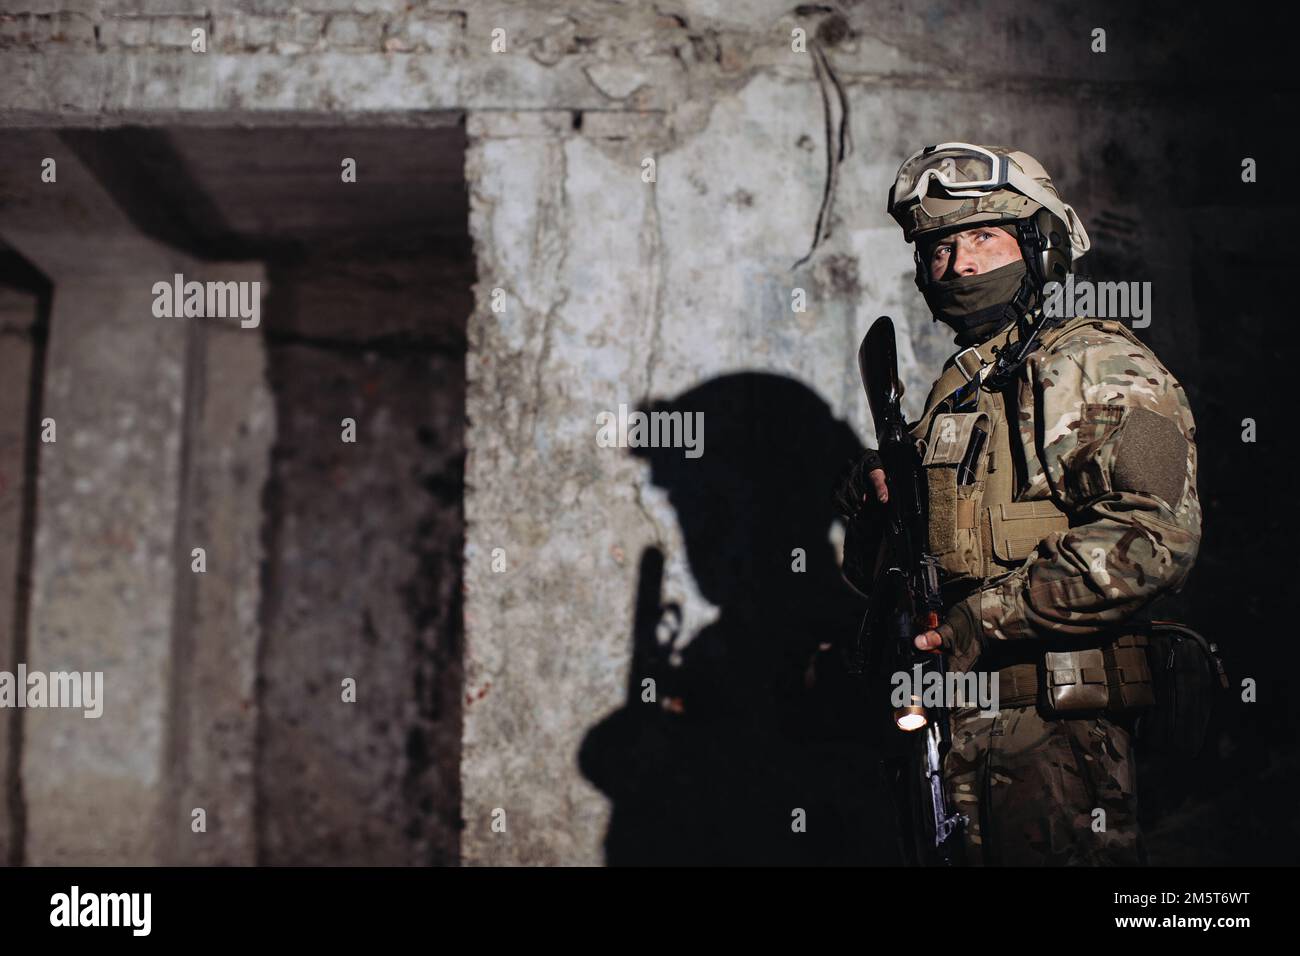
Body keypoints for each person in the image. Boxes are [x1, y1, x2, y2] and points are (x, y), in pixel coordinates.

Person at [837, 143, 1202, 865]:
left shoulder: (1097, 362)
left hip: (1053, 733)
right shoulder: (960, 387)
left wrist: (981, 620)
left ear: (1037, 247)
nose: (961, 263)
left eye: (983, 237)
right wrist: (880, 503)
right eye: (939, 246)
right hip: (950, 728)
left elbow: (1156, 538)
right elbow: (902, 578)